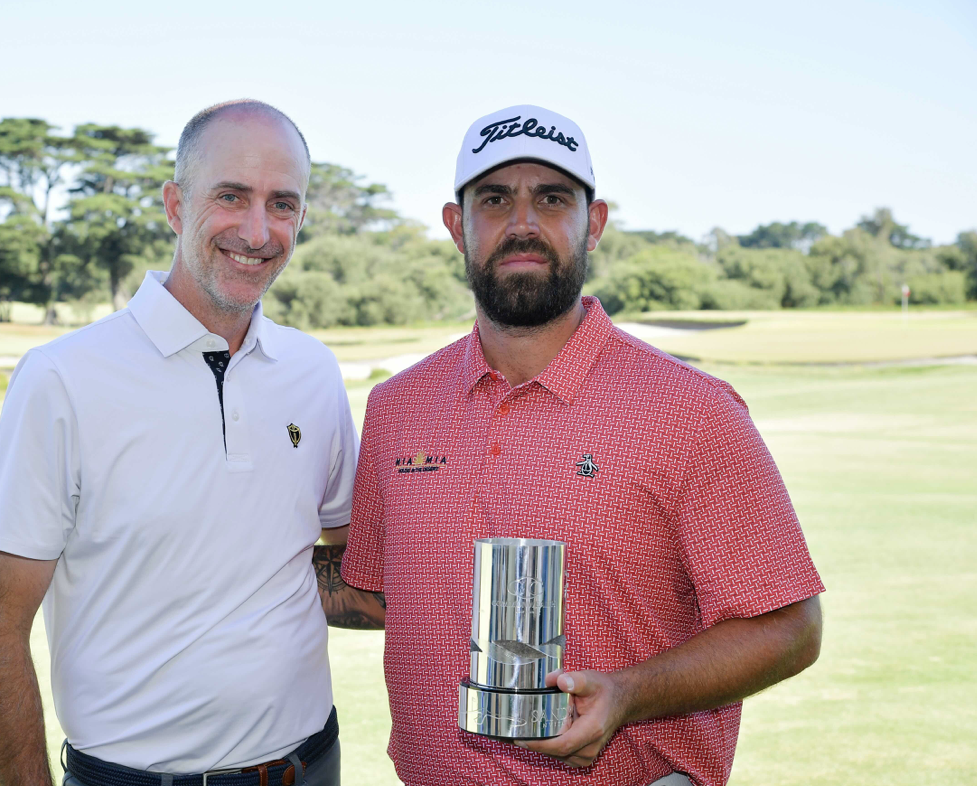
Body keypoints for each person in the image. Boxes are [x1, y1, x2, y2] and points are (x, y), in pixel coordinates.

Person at [316, 105, 825, 786]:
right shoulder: (397, 408)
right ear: (454, 225)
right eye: (494, 199)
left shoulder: (693, 411)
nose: (522, 222)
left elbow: (789, 627)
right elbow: (381, 592)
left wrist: (629, 695)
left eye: (552, 198)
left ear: (595, 222)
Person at [0, 99, 356, 786]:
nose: (258, 230)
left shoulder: (313, 373)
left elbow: (346, 559)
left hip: (307, 766)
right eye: (231, 196)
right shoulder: (62, 377)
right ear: (176, 205)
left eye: (283, 204)